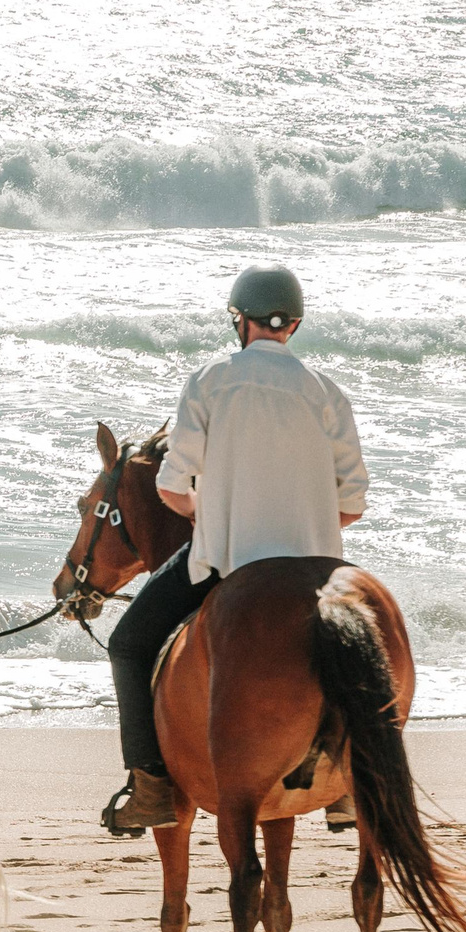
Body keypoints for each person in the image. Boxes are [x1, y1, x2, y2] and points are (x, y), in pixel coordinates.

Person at [101, 264, 369, 835]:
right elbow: (352, 504)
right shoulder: (327, 392)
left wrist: (210, 512)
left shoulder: (210, 381)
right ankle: (350, 781)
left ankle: (150, 784)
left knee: (129, 644)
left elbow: (171, 487)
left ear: (238, 321)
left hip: (227, 558)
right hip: (316, 568)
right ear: (294, 326)